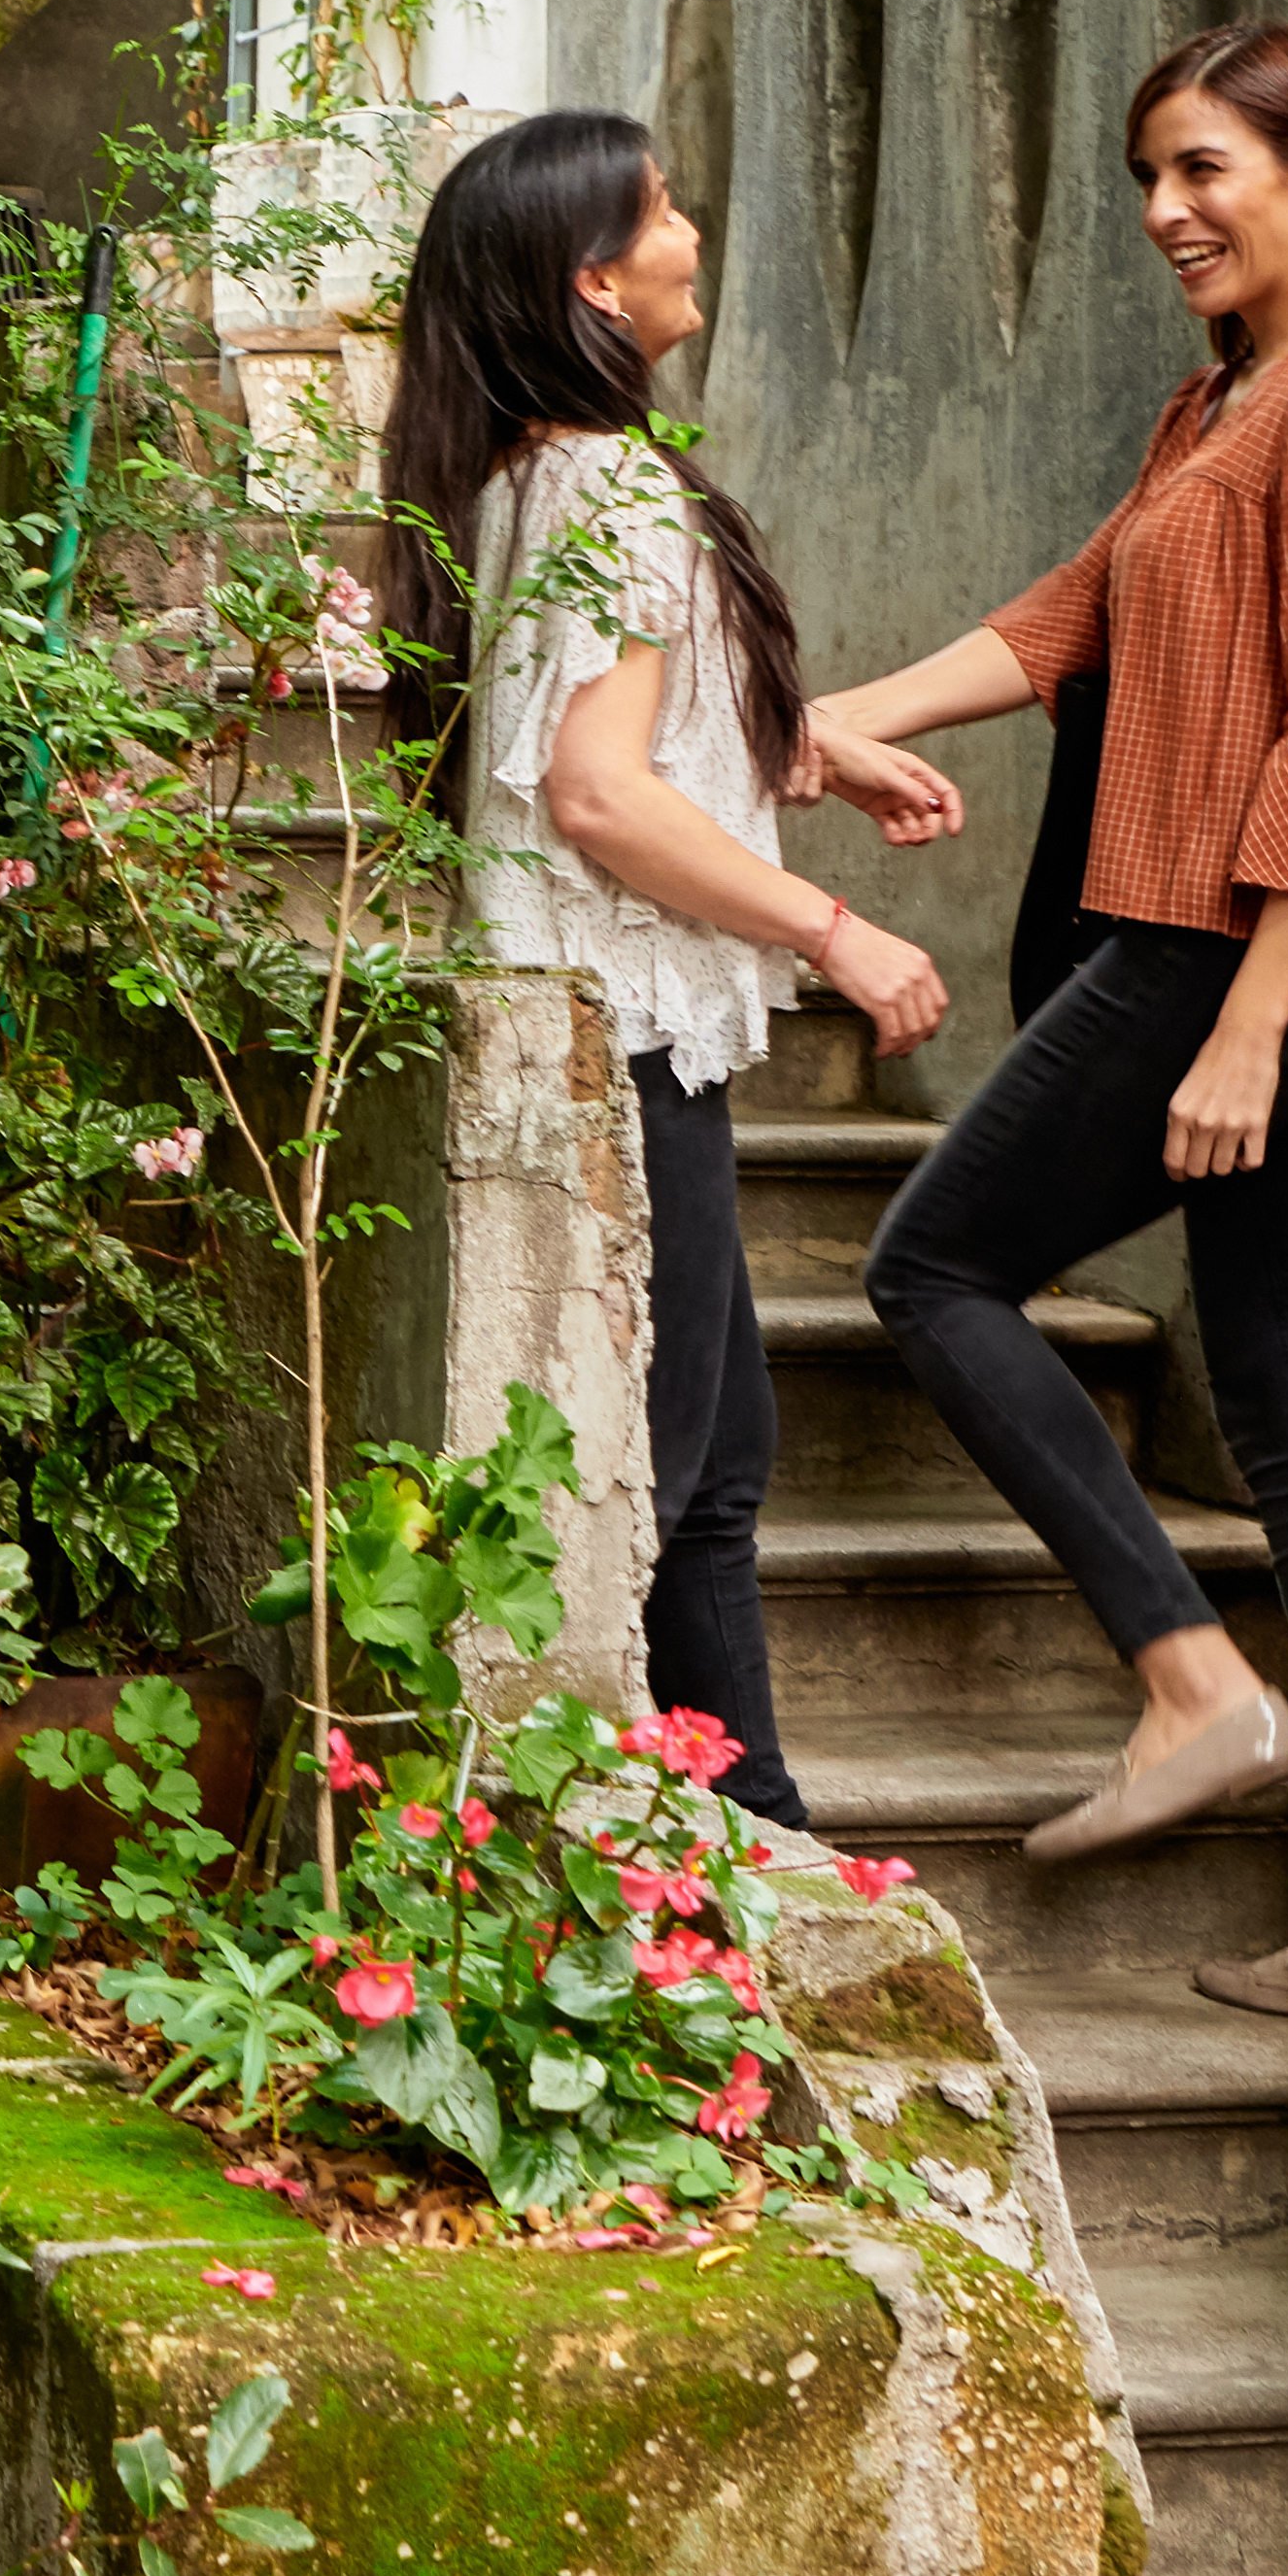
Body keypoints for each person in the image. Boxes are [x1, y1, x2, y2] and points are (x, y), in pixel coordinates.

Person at [802, 24, 1288, 2033]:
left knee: (937, 1267)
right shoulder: (1227, 403)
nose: (1168, 212)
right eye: (1147, 181)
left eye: (1206, 170)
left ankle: (1194, 1685)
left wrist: (1250, 1022)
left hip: (1250, 952)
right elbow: (1073, 611)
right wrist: (832, 721)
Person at [376, 110, 968, 1813]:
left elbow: (598, 743)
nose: (689, 228)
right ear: (592, 277)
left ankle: (735, 1829)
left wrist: (808, 749)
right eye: (662, 211)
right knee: (683, 1476)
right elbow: (597, 791)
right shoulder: (610, 486)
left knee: (701, 1463)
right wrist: (834, 928)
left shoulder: (511, 480)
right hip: (622, 1028)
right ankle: (724, 1843)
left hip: (574, 1023)